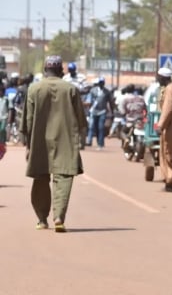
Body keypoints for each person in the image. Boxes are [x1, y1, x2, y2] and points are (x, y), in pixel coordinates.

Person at [20, 55, 88, 232]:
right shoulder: (71, 89)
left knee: (40, 178)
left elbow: (27, 120)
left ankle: (42, 220)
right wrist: (81, 134)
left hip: (40, 140)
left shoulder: (34, 89)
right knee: (63, 177)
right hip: (65, 139)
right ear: (61, 71)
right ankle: (59, 216)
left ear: (45, 70)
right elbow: (81, 119)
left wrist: (27, 144)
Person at [85, 77, 112, 150]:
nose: (101, 84)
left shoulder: (107, 92)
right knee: (92, 127)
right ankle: (89, 141)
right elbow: (89, 100)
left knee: (101, 127)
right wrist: (87, 109)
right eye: (100, 82)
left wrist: (112, 112)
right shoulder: (93, 90)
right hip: (93, 111)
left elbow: (110, 102)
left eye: (102, 83)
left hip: (102, 112)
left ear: (104, 83)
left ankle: (100, 144)